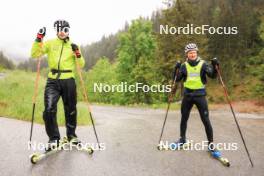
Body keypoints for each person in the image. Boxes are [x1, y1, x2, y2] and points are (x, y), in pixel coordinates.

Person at [31, 20, 85, 150]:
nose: (61, 32)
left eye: (64, 30)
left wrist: (77, 53)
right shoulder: (50, 43)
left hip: (68, 80)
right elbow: (35, 54)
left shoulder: (72, 45)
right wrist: (39, 39)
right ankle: (54, 139)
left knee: (71, 109)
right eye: (59, 29)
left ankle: (71, 136)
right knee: (49, 109)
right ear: (56, 30)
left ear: (67, 31)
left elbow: (81, 64)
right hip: (53, 80)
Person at [172, 43, 220, 153]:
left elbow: (212, 75)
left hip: (200, 96)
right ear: (187, 54)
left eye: (194, 52)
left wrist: (215, 66)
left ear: (196, 53)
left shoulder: (203, 64)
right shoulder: (184, 66)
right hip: (187, 96)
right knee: (184, 118)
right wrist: (176, 68)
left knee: (206, 120)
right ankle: (182, 140)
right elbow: (177, 79)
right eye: (190, 53)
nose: (192, 54)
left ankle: (211, 145)